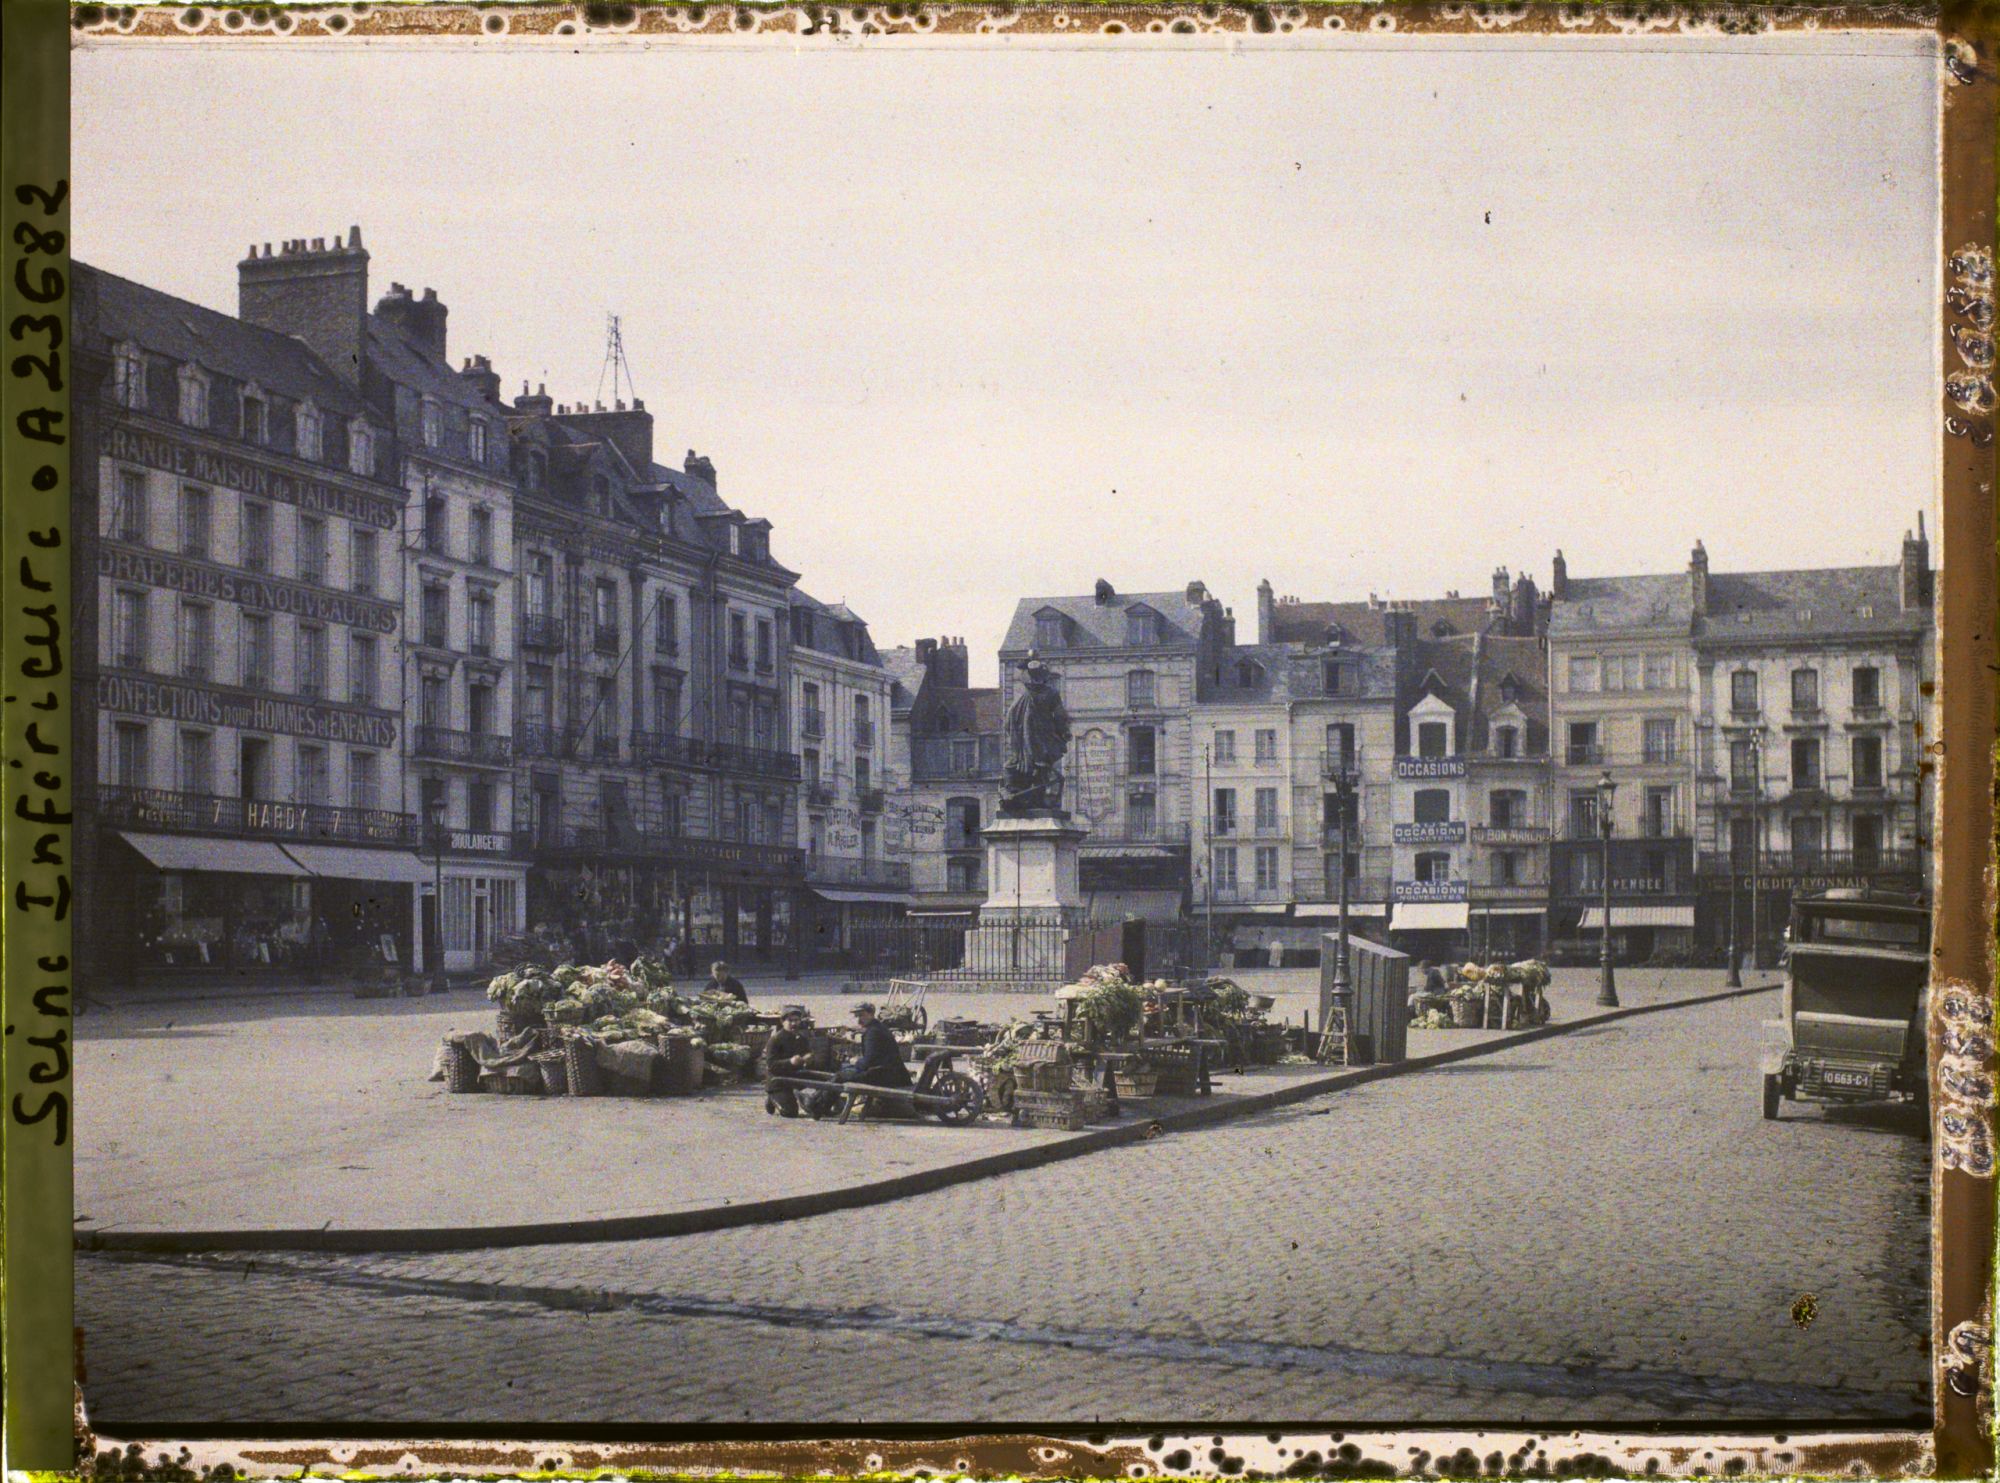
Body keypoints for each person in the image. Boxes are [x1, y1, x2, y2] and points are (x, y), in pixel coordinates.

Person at [807, 1001, 912, 1120]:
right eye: (857, 1016)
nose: (858, 1020)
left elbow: (868, 1063)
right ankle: (816, 1102)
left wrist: (855, 1061)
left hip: (886, 1076)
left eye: (861, 1015)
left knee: (840, 1076)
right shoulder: (878, 1028)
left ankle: (816, 1107)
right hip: (889, 1073)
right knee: (844, 1072)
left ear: (871, 1014)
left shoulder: (873, 1033)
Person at [763, 1006, 816, 1117]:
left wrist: (808, 1058)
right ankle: (772, 1098)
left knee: (826, 1081)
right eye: (790, 1021)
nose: (794, 1024)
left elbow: (808, 1053)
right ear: (783, 1022)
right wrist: (789, 1062)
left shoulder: (801, 1038)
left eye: (796, 1020)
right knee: (790, 1113)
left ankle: (814, 1101)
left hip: (795, 1076)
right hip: (778, 1081)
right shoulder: (775, 1040)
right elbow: (771, 1065)